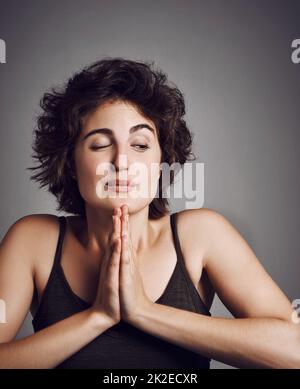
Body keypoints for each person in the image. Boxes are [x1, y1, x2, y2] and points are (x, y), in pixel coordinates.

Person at [0, 58, 299, 369]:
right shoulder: (34, 241)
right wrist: (98, 316)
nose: (122, 162)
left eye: (140, 145)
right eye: (100, 145)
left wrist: (144, 311)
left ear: (162, 161)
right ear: (72, 164)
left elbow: (294, 350)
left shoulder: (201, 235)